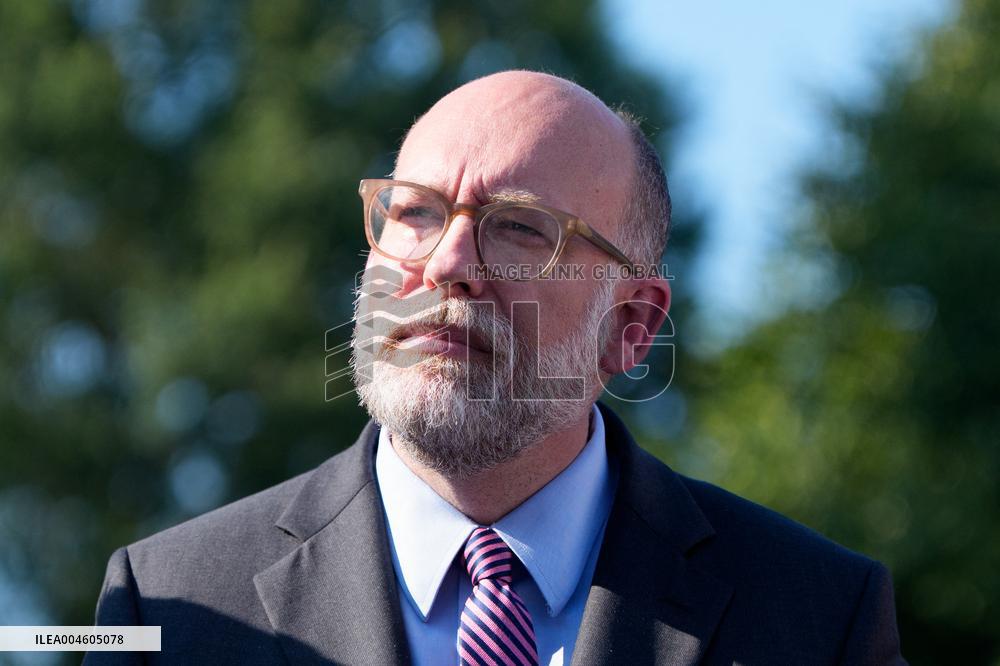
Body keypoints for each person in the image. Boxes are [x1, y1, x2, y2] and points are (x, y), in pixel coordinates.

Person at [86, 70, 905, 665]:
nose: (447, 263)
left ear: (631, 326)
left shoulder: (817, 618)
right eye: (414, 211)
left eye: (518, 229)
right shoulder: (162, 610)